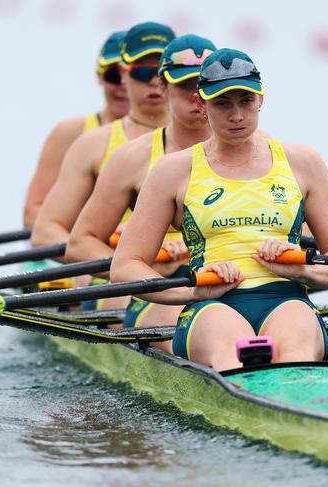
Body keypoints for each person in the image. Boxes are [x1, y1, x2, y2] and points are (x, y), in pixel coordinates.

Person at [110, 48, 328, 371]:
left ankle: (296, 401)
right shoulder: (173, 172)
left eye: (245, 101)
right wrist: (192, 289)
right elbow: (125, 267)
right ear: (201, 105)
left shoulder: (303, 163)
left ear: (261, 99)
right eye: (222, 103)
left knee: (295, 353)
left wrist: (304, 272)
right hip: (211, 305)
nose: (236, 115)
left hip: (287, 298)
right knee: (233, 356)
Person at [65, 34, 216, 348]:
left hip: (231, 283)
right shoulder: (132, 156)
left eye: (205, 85)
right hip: (157, 288)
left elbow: (302, 238)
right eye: (185, 86)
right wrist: (142, 268)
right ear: (165, 88)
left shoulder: (265, 153)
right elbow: (80, 244)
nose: (197, 96)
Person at [30, 21, 175, 250]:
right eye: (141, 71)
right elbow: (39, 223)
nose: (153, 81)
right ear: (120, 74)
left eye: (160, 72)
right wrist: (101, 246)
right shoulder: (84, 139)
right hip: (112, 263)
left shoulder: (214, 137)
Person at [23, 31, 129, 228]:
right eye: (115, 75)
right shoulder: (69, 133)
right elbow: (32, 214)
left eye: (138, 75)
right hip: (95, 250)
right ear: (99, 76)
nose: (124, 85)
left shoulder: (179, 133)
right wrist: (98, 237)